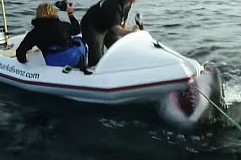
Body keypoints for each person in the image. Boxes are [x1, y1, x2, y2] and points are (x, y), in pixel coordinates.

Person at [16, 3, 87, 70]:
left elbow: (20, 53)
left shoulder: (34, 33)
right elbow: (77, 29)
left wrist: (25, 63)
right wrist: (70, 14)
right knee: (79, 40)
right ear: (54, 13)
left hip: (52, 63)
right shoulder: (63, 25)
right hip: (73, 59)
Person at [81, 0, 140, 66]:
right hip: (92, 26)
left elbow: (124, 20)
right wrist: (131, 33)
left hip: (108, 24)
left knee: (119, 48)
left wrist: (126, 36)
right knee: (97, 59)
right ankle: (93, 70)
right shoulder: (113, 4)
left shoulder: (128, 3)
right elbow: (116, 29)